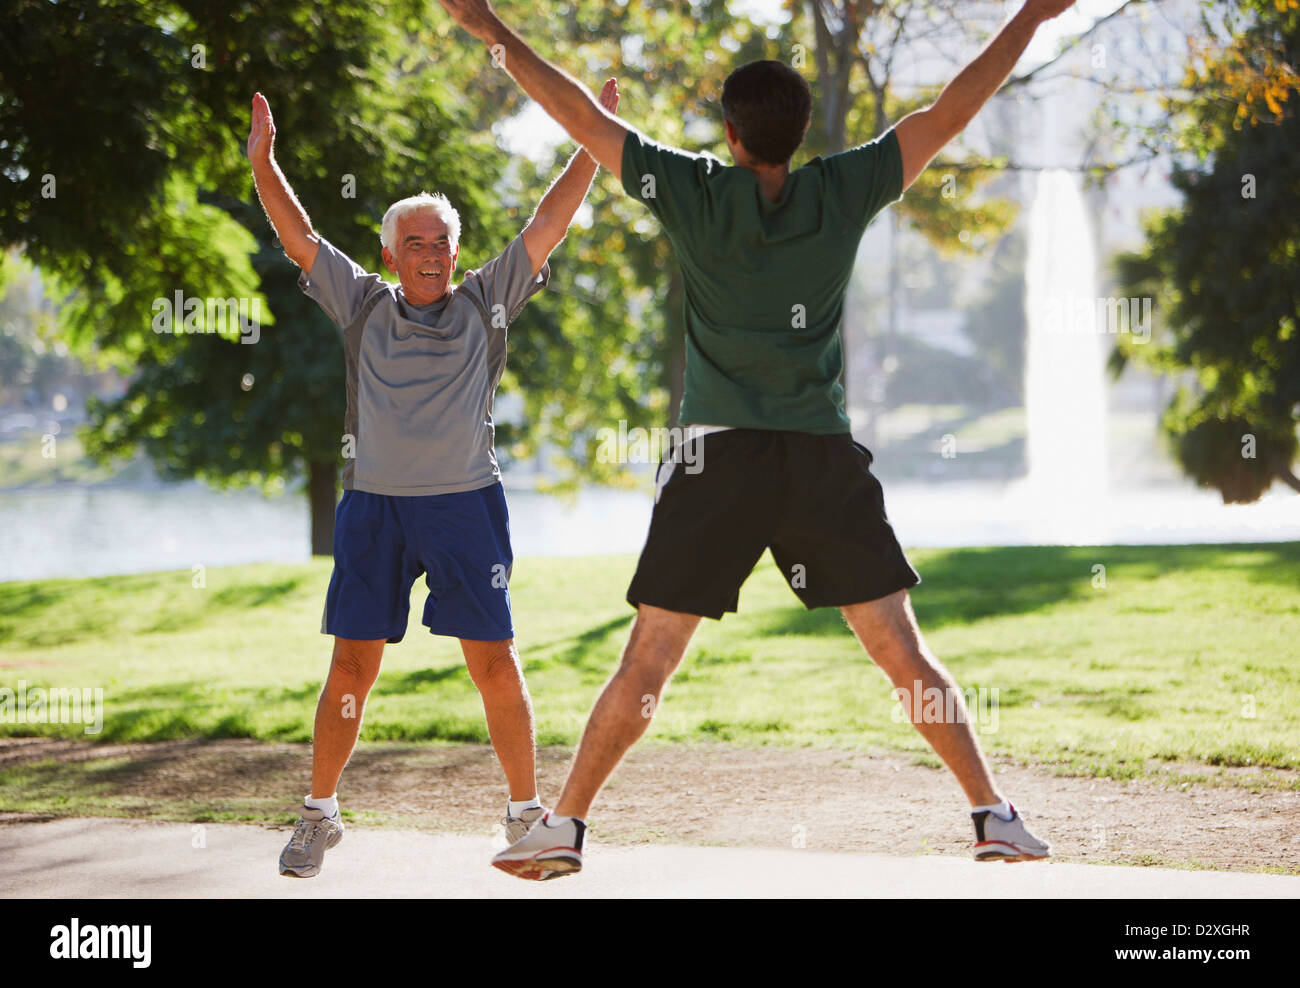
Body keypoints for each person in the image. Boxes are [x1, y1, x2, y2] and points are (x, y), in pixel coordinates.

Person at [437, 0, 1071, 880]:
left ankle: (565, 827)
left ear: (731, 134)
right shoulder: (842, 186)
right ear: (800, 132)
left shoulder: (694, 190)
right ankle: (991, 813)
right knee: (899, 646)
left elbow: (582, 116)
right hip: (818, 455)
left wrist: (494, 32)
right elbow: (951, 111)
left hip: (719, 458)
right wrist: (1032, 18)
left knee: (651, 656)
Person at [245, 83, 619, 878]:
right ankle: (319, 814)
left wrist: (593, 140)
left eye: (441, 242)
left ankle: (526, 815)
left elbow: (547, 224)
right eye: (414, 243)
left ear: (457, 250)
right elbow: (300, 234)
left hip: (464, 505)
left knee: (495, 658)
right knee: (352, 665)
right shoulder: (360, 303)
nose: (430, 255)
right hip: (374, 508)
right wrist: (262, 162)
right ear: (390, 254)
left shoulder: (488, 299)